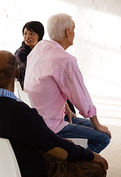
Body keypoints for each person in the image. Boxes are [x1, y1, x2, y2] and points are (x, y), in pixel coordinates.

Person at [0, 50, 107, 177]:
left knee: (65, 144)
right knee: (97, 170)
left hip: (1, 173)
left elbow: (48, 141)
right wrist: (90, 155)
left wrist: (64, 143)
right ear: (18, 74)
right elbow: (57, 148)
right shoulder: (22, 113)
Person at [24, 13, 111, 153]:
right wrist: (97, 124)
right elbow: (82, 98)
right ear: (67, 32)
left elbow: (49, 85)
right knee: (103, 137)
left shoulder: (39, 48)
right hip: (50, 126)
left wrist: (65, 107)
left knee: (86, 125)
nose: (74, 33)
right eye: (74, 29)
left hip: (38, 119)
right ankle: (72, 165)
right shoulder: (66, 60)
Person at [14, 21, 44, 89]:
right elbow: (33, 75)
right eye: (25, 34)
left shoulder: (41, 50)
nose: (27, 37)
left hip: (37, 88)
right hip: (27, 91)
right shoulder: (21, 53)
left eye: (32, 34)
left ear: (39, 36)